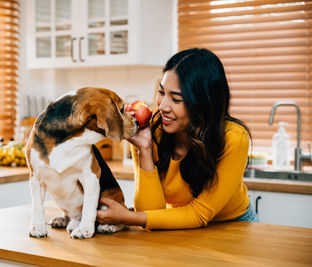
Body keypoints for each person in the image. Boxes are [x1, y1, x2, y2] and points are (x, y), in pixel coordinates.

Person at [97, 48, 259, 229]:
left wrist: (128, 217)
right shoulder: (152, 131)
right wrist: (144, 148)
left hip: (234, 225)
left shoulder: (233, 138)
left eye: (176, 99)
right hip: (178, 224)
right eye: (162, 92)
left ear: (203, 103)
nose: (163, 106)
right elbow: (151, 212)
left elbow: (199, 214)